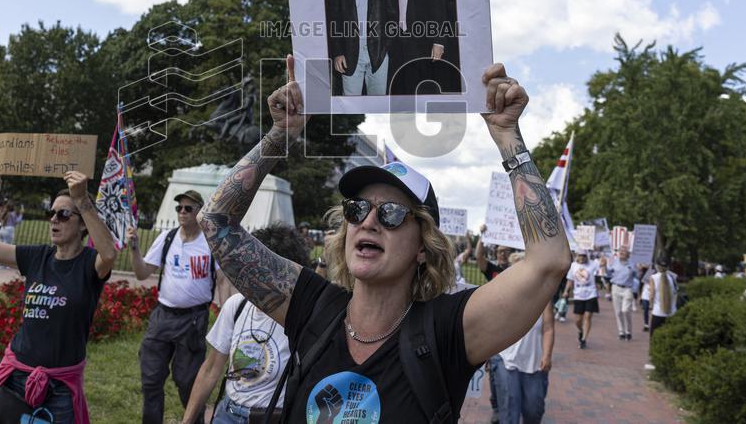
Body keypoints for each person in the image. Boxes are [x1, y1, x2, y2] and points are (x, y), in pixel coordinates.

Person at [198, 56, 571, 422]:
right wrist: (281, 135)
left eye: (391, 213)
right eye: (356, 210)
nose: (369, 221)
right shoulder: (314, 308)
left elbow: (548, 261)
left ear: (423, 248)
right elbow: (215, 222)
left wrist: (508, 137)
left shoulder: (447, 331)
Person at [0, 170, 115, 423]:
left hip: (60, 386)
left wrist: (82, 200)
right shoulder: (37, 257)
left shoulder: (90, 264)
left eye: (64, 214)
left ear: (82, 224)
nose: (54, 220)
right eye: (52, 213)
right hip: (17, 377)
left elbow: (110, 254)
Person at [182, 224, 311, 424]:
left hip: (272, 418)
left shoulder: (301, 317)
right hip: (227, 415)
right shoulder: (237, 306)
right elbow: (211, 369)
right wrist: (187, 420)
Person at [127, 190, 220, 424]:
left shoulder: (210, 242)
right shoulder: (167, 238)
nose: (182, 212)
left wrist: (229, 313)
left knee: (187, 381)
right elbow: (141, 273)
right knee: (151, 379)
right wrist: (135, 249)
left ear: (200, 211)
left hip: (193, 320)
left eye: (188, 208)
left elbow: (224, 280)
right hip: (162, 316)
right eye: (179, 208)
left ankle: (195, 420)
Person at [492, 252, 554, 424]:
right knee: (510, 412)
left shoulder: (543, 297)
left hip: (534, 363)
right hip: (506, 361)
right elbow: (492, 327)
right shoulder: (503, 295)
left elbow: (548, 328)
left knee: (534, 411)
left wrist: (547, 355)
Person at [475, 224, 513, 422]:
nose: (503, 254)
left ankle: (506, 403)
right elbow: (478, 257)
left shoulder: (517, 269)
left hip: (512, 323)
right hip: (493, 324)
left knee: (508, 366)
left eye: (506, 251)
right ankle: (496, 404)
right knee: (494, 364)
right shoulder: (492, 269)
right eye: (500, 251)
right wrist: (481, 235)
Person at [643, 255, 678, 371]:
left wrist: (650, 307)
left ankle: (653, 361)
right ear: (668, 266)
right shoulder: (672, 278)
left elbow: (651, 295)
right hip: (671, 313)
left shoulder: (653, 277)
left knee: (654, 338)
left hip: (658, 312)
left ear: (657, 266)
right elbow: (675, 295)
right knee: (668, 337)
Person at [563, 250, 600, 349]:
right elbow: (570, 280)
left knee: (588, 317)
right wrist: (566, 291)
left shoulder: (593, 264)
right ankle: (580, 330)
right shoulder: (573, 266)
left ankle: (584, 339)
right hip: (578, 295)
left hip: (591, 294)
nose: (582, 257)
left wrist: (604, 264)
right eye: (580, 255)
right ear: (577, 256)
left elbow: (602, 268)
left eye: (584, 255)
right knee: (578, 320)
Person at [608, 246, 637, 340]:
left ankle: (628, 331)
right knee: (618, 312)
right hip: (616, 287)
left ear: (628, 254)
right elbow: (608, 274)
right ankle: (621, 331)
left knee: (625, 310)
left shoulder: (632, 263)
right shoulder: (614, 262)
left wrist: (640, 269)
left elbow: (638, 276)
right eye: (620, 251)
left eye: (624, 251)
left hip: (627, 289)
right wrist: (604, 266)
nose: (622, 252)